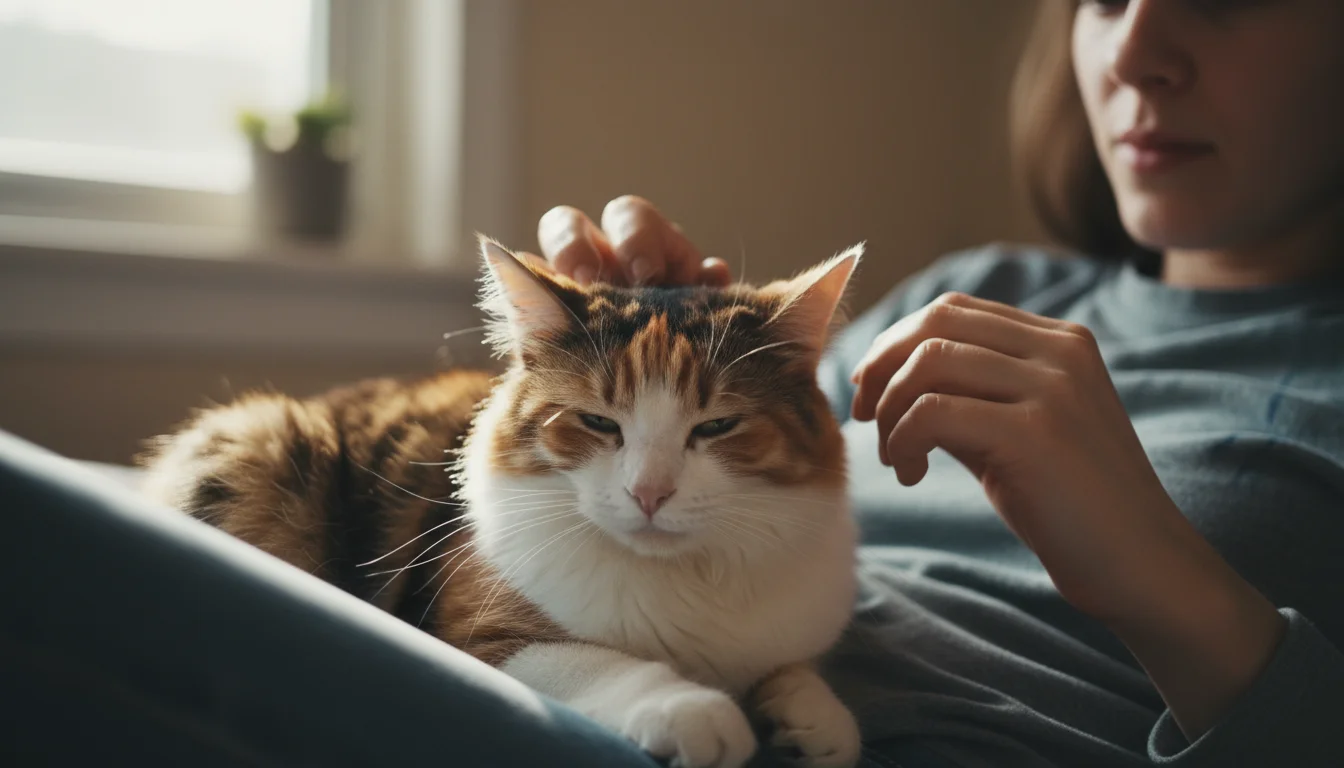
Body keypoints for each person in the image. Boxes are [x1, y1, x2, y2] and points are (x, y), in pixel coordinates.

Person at [522, 0, 1344, 765]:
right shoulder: (974, 289)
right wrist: (657, 366)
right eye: (1103, 1)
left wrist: (1157, 573)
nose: (1132, 52)